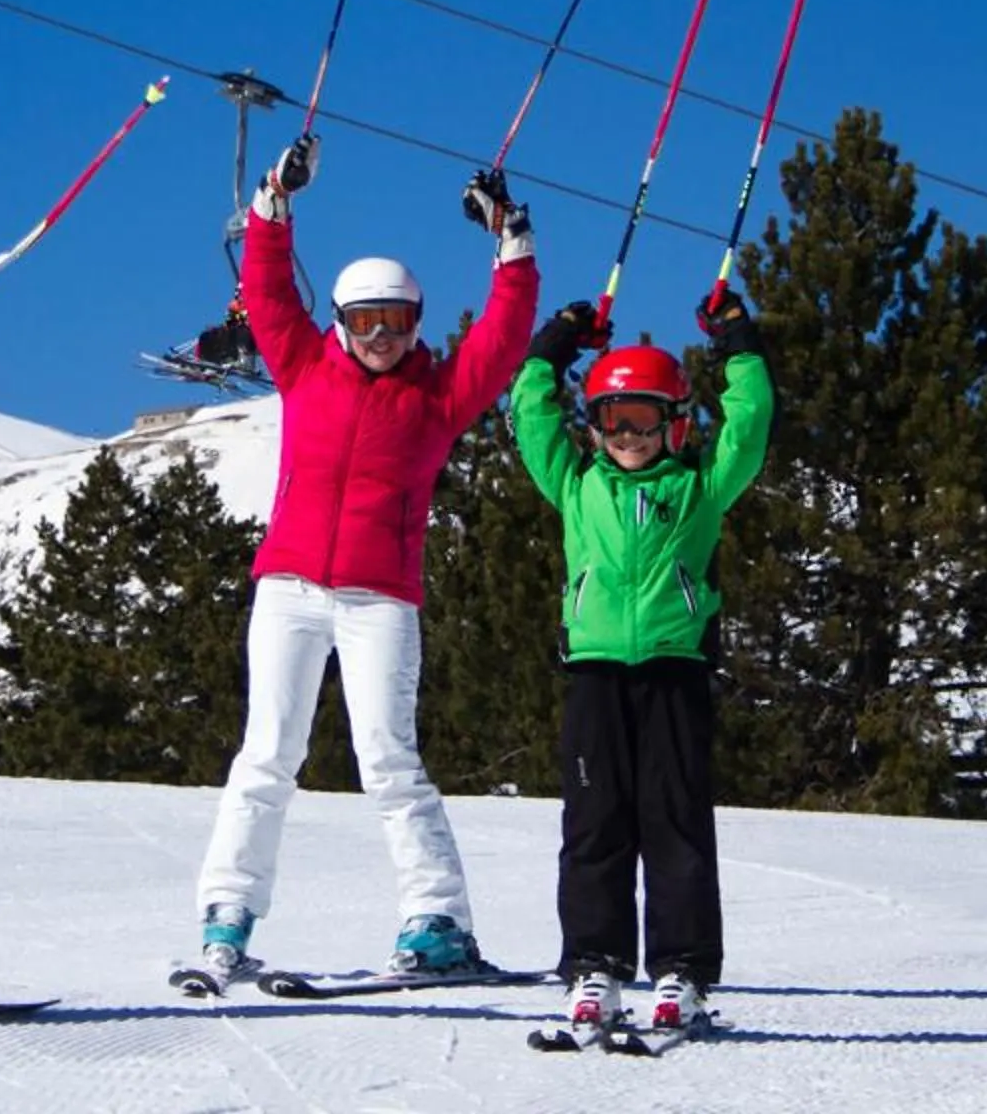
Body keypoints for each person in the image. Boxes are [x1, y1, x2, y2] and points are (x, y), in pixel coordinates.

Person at [187, 133, 541, 988]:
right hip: (291, 587)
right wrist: (277, 200)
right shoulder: (305, 366)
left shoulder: (439, 396)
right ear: (340, 322)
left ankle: (437, 920)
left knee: (389, 757)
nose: (382, 337)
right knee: (267, 750)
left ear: (417, 321)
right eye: (365, 321)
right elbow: (267, 291)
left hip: (381, 596)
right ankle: (227, 912)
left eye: (398, 322)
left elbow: (504, 336)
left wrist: (512, 244)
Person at [511, 284, 774, 1036]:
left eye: (644, 418)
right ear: (592, 427)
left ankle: (682, 970)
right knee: (594, 823)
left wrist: (738, 345)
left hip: (673, 672)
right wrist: (558, 342)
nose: (627, 434)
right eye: (613, 419)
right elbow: (531, 414)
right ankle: (594, 964)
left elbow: (749, 427)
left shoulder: (698, 490)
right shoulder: (576, 485)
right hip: (594, 673)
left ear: (675, 423)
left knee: (675, 822)